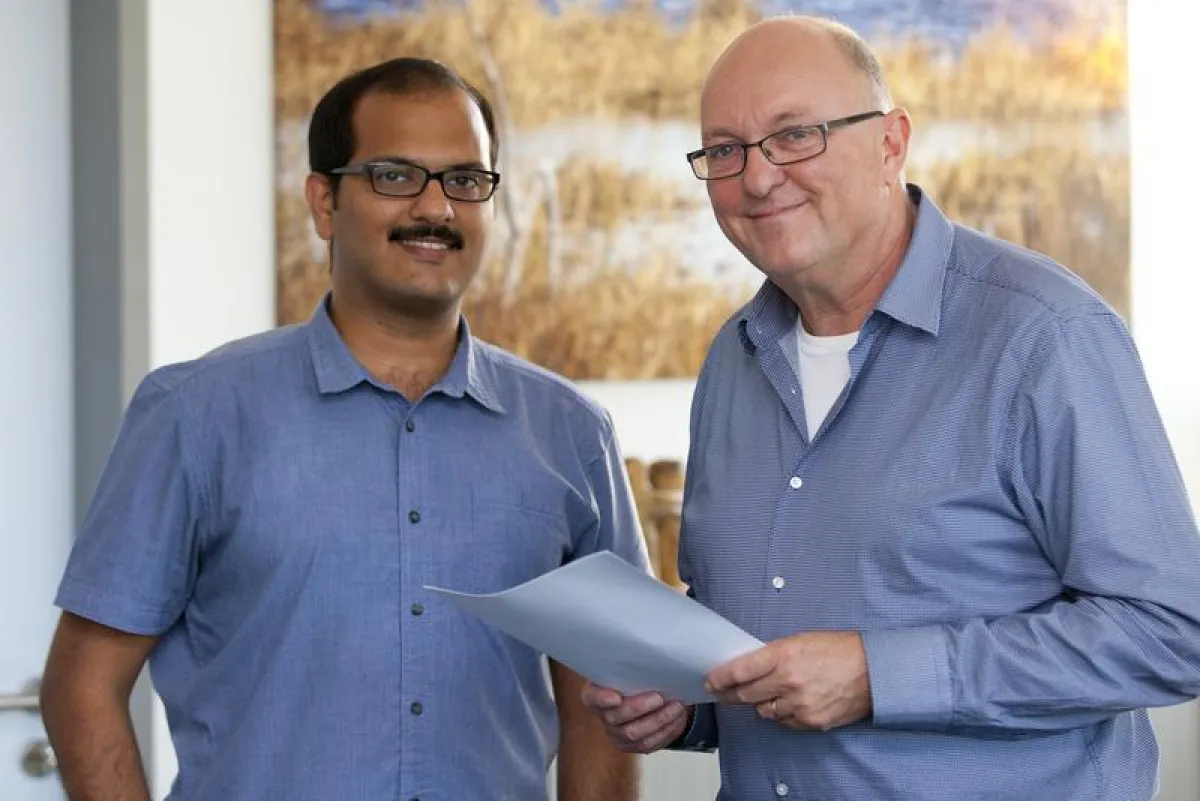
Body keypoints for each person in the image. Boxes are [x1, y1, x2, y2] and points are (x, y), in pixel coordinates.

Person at [581, 15, 1200, 800]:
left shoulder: (1046, 338)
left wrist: (882, 675)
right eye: (725, 150)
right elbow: (757, 641)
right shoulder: (731, 362)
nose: (758, 178)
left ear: (891, 142)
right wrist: (682, 704)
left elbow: (1172, 632)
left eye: (795, 134)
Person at [41, 57, 645, 801]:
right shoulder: (193, 414)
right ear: (323, 202)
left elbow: (608, 703)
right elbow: (84, 684)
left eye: (464, 179)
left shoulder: (571, 434)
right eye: (395, 175)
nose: (437, 208)